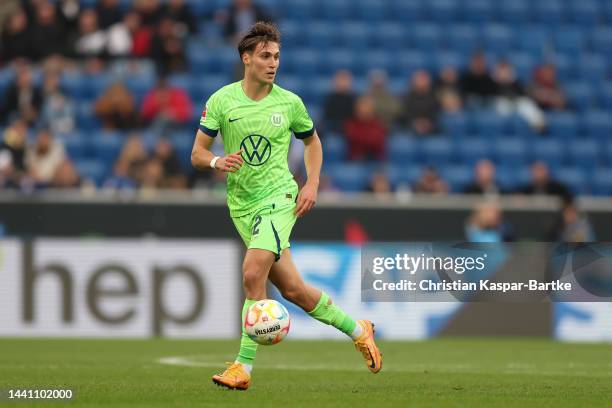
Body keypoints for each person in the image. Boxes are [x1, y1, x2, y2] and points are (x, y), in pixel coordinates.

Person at [191, 22, 382, 390]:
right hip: (242, 205)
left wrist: (311, 183)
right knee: (294, 290)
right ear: (246, 59)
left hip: (279, 198)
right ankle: (359, 329)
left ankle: (242, 368)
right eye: (265, 56)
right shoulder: (221, 101)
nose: (273, 63)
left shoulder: (290, 102)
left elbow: (313, 143)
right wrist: (217, 162)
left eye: (277, 56)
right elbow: (197, 153)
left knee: (251, 274)